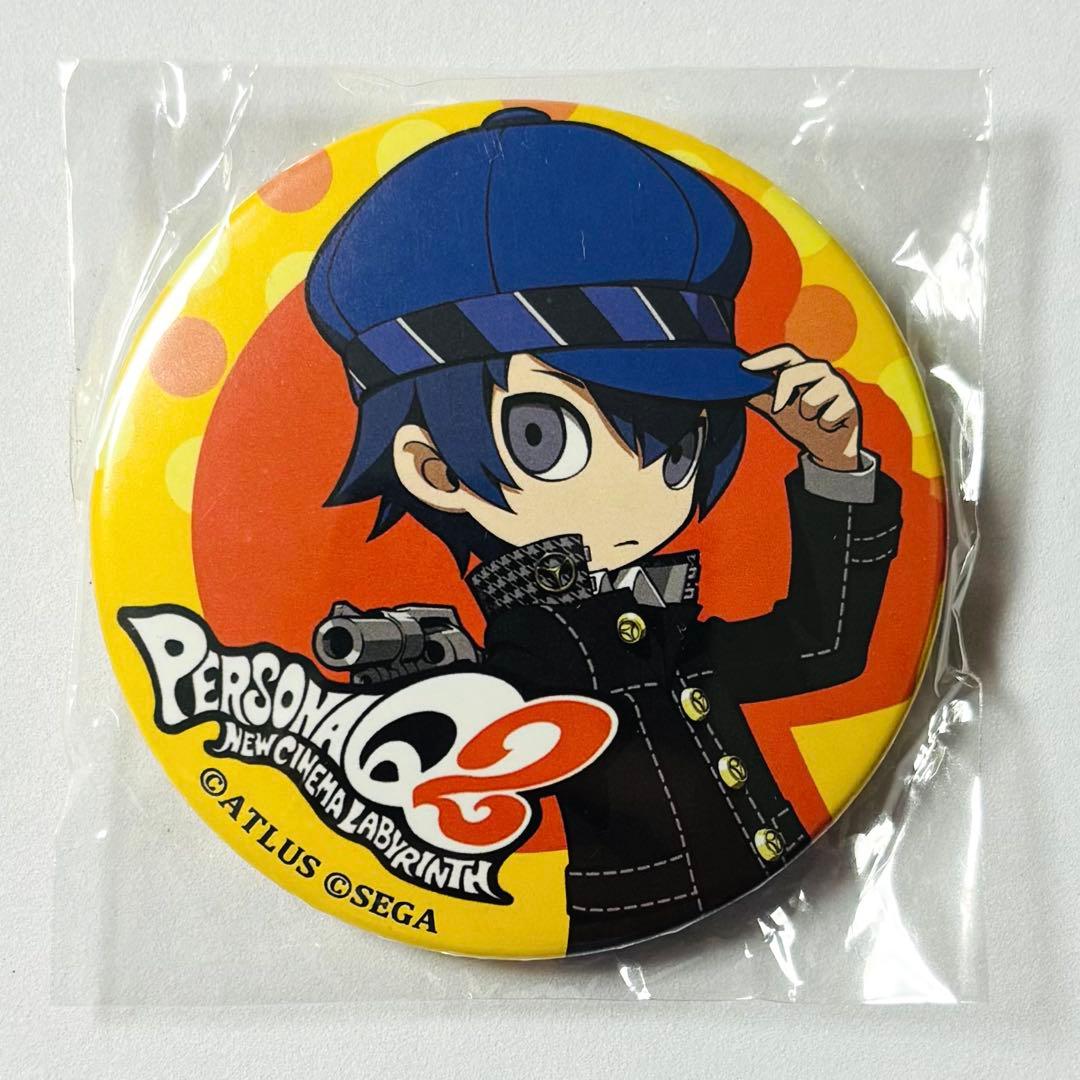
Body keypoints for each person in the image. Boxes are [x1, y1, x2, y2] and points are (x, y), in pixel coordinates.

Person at [306, 107, 902, 952]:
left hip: (775, 903)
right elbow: (483, 726)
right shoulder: (534, 651)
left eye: (676, 441)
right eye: (544, 435)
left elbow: (822, 649)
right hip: (635, 925)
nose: (639, 484)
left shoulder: (659, 621)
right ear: (434, 469)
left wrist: (835, 466)